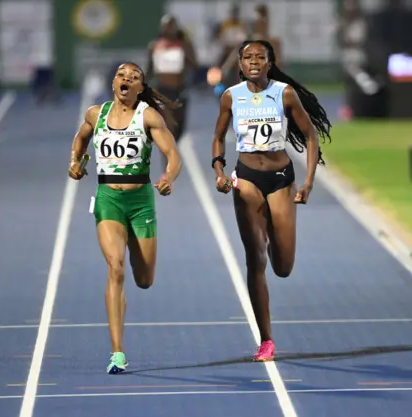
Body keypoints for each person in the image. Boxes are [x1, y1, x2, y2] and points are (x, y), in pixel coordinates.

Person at [210, 40, 332, 361]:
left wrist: (308, 182)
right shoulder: (230, 97)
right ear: (239, 64)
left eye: (259, 57)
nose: (253, 61)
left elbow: (309, 135)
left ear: (269, 62)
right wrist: (219, 171)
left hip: (280, 179)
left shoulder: (284, 93)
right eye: (247, 57)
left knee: (283, 267)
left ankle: (273, 232)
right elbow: (218, 136)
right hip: (246, 177)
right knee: (256, 259)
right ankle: (266, 339)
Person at [68, 62, 183, 374]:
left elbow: (173, 155)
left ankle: (132, 266)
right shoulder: (96, 114)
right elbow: (80, 139)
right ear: (114, 83)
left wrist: (169, 177)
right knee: (115, 268)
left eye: (134, 78)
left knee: (144, 279)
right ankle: (117, 351)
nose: (126, 80)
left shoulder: (148, 116)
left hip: (141, 202)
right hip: (108, 200)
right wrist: (75, 162)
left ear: (140, 88)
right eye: (122, 76)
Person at [146, 14, 198, 146]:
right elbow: (149, 70)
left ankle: (173, 148)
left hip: (179, 89)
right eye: (166, 26)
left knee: (179, 127)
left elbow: (195, 64)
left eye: (172, 25)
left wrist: (186, 53)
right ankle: (168, 160)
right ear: (162, 28)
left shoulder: (184, 45)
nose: (169, 29)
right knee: (167, 126)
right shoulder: (154, 46)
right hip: (162, 90)